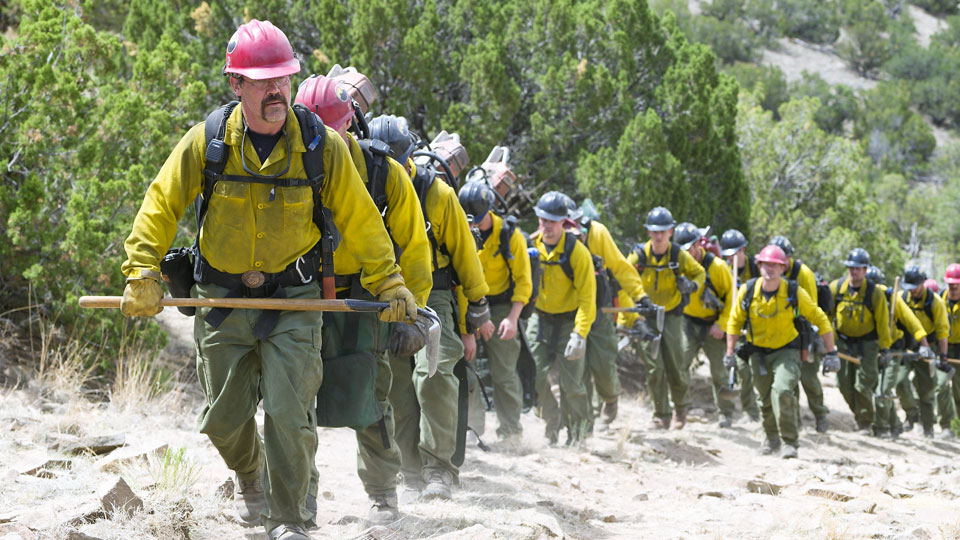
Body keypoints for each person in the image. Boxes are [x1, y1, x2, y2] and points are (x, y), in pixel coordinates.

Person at [119, 20, 417, 540]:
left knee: (289, 414)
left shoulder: (321, 146)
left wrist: (390, 283)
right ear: (237, 85)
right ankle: (249, 475)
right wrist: (141, 268)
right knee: (223, 419)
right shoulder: (209, 141)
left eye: (284, 78)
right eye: (262, 80)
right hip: (222, 300)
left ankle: (290, 520)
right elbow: (160, 202)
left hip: (295, 301)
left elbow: (362, 220)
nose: (276, 89)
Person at [293, 75, 432, 523]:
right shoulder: (284, 164)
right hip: (303, 293)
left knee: (373, 401)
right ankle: (301, 498)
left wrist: (415, 314)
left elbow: (413, 245)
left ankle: (383, 495)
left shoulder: (383, 171)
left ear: (352, 126)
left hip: (369, 298)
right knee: (295, 400)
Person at [371, 116, 491, 502]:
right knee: (398, 387)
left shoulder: (436, 193)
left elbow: (464, 252)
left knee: (434, 374)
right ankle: (410, 471)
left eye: (401, 158)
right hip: (386, 294)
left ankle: (439, 467)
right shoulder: (365, 187)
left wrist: (478, 304)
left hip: (432, 293)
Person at [725, 245, 837, 458]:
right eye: (766, 264)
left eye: (775, 265)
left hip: (786, 351)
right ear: (759, 266)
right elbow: (734, 322)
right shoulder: (748, 291)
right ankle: (771, 438)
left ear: (783, 268)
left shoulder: (793, 291)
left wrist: (831, 352)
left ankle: (790, 442)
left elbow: (819, 318)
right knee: (765, 399)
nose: (770, 269)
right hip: (757, 352)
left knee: (783, 391)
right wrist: (729, 353)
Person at [457, 181, 532, 444]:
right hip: (468, 303)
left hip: (502, 306)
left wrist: (512, 319)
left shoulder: (510, 235)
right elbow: (459, 282)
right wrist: (469, 329)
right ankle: (473, 430)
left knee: (504, 371)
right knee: (468, 369)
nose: (473, 225)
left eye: (477, 220)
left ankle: (511, 431)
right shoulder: (460, 232)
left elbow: (523, 282)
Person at [566, 196, 646, 429]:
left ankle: (610, 398)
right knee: (577, 368)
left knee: (602, 365)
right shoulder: (553, 238)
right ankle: (585, 423)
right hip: (571, 311)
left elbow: (620, 269)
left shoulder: (598, 234)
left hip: (600, 310)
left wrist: (640, 300)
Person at [527, 191, 597, 445]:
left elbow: (588, 298)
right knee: (535, 374)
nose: (546, 226)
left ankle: (578, 433)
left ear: (564, 223)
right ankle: (552, 424)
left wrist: (580, 334)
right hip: (541, 319)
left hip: (570, 321)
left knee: (572, 383)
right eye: (542, 220)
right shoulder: (531, 246)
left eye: (552, 221)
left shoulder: (577, 253)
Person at [628, 207, 706, 429]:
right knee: (654, 368)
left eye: (663, 231)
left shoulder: (677, 255)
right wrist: (633, 320)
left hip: (671, 315)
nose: (659, 236)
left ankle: (680, 409)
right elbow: (623, 277)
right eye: (654, 231)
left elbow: (699, 273)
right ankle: (661, 414)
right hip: (646, 315)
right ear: (648, 232)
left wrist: (692, 285)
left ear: (671, 231)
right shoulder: (639, 255)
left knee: (676, 364)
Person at [675, 223, 737, 427]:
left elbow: (732, 300)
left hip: (714, 325)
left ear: (697, 245)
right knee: (679, 364)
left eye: (690, 248)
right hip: (688, 322)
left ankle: (726, 413)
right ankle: (678, 409)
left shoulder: (718, 267)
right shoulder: (678, 266)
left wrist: (722, 324)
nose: (688, 254)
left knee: (719, 372)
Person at [769, 235, 830, 433]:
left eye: (784, 258)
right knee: (788, 378)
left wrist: (812, 338)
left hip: (804, 331)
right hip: (782, 331)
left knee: (809, 378)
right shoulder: (769, 274)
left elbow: (810, 308)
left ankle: (820, 415)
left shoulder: (803, 273)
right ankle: (793, 420)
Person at [828, 249, 891, 435]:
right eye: (851, 268)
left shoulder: (875, 294)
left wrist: (885, 348)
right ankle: (862, 416)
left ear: (865, 270)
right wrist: (827, 341)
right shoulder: (836, 288)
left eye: (858, 269)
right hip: (844, 344)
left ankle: (865, 423)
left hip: (868, 345)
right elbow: (827, 316)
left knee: (863, 385)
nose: (854, 272)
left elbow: (882, 323)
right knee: (843, 384)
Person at [900, 265, 952, 438]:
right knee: (900, 381)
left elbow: (943, 332)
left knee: (927, 389)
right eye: (909, 287)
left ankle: (928, 427)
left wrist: (942, 357)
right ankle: (911, 413)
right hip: (907, 345)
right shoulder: (902, 298)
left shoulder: (935, 302)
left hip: (929, 347)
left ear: (922, 283)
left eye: (915, 287)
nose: (912, 291)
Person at [718, 229, 760, 422]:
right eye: (727, 255)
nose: (731, 258)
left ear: (743, 250)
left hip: (755, 325)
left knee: (750, 371)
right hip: (731, 324)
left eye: (734, 253)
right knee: (731, 367)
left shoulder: (757, 268)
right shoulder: (724, 270)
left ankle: (754, 412)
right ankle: (731, 413)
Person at [940, 263, 960, 437]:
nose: (953, 288)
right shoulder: (940, 299)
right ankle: (947, 426)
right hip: (943, 348)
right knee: (942, 387)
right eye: (950, 284)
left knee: (959, 391)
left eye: (956, 284)